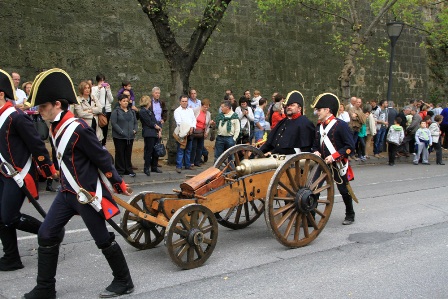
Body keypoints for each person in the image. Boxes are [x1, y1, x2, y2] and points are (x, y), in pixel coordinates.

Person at [22, 69, 133, 299]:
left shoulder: (78, 128)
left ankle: (124, 280)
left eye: (43, 106)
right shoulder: (55, 126)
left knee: (103, 240)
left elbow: (102, 157)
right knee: (46, 233)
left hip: (86, 194)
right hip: (66, 192)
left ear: (56, 104)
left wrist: (118, 182)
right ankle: (45, 288)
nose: (40, 111)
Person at [0, 69, 57, 272]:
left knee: (9, 217)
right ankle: (11, 257)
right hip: (3, 173)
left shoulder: (16, 116)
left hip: (18, 174)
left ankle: (49, 233)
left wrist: (48, 168)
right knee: (2, 217)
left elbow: (36, 145)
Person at [311, 93, 356, 225]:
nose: (317, 112)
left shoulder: (340, 125)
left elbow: (350, 147)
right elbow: (315, 144)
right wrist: (316, 151)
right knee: (314, 189)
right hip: (322, 163)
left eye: (319, 110)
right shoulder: (319, 126)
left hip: (338, 163)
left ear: (327, 110)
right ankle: (311, 217)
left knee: (343, 190)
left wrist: (335, 156)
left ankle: (350, 214)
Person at [260, 90, 315, 155]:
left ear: (299, 108)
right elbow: (269, 143)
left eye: (292, 105)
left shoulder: (305, 123)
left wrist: (273, 152)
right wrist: (257, 153)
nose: (289, 107)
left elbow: (303, 150)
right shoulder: (283, 122)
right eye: (288, 105)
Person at [110, 95, 138, 177]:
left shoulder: (131, 111)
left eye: (126, 101)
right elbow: (114, 123)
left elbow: (135, 122)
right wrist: (121, 131)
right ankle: (120, 170)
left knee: (128, 153)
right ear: (120, 102)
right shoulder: (116, 111)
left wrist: (135, 130)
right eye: (123, 101)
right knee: (120, 153)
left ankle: (128, 169)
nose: (125, 102)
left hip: (130, 136)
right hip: (119, 137)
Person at [139, 95, 162, 176]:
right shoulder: (142, 111)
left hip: (154, 132)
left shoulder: (149, 111)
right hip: (148, 133)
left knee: (156, 150)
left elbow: (155, 120)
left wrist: (159, 129)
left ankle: (154, 166)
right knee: (149, 151)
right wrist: (156, 126)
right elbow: (148, 122)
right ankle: (146, 167)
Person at [173, 95, 196, 173]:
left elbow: (193, 120)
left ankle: (187, 165)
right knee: (181, 150)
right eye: (183, 101)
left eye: (186, 101)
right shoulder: (177, 111)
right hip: (181, 133)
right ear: (180, 102)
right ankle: (179, 166)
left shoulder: (190, 110)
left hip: (190, 133)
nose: (184, 103)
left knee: (188, 150)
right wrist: (188, 128)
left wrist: (192, 127)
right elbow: (179, 122)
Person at [91, 74, 114, 146]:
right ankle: (97, 143)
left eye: (103, 80)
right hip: (99, 110)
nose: (102, 82)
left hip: (107, 110)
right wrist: (99, 89)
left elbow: (111, 100)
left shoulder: (106, 88)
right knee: (98, 126)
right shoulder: (94, 88)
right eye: (101, 80)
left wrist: (108, 90)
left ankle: (103, 144)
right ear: (98, 81)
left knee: (105, 127)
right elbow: (94, 98)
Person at [150, 87, 168, 169]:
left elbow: (165, 111)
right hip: (152, 124)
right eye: (156, 93)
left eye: (159, 93)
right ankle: (150, 161)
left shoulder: (161, 102)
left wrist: (163, 119)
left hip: (159, 123)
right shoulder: (150, 102)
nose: (157, 94)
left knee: (158, 143)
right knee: (151, 144)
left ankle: (155, 162)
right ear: (152, 93)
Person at [191, 99, 212, 167]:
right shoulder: (196, 110)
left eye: (207, 107)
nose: (206, 108)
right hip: (194, 131)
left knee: (200, 147)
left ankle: (197, 161)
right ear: (201, 105)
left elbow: (208, 125)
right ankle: (192, 161)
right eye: (204, 107)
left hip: (202, 132)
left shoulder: (208, 114)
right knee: (193, 147)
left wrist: (206, 132)